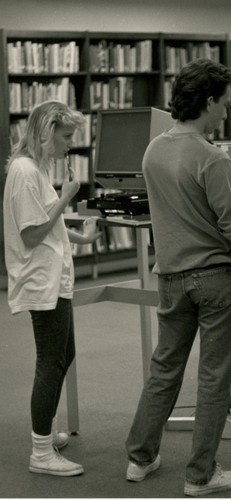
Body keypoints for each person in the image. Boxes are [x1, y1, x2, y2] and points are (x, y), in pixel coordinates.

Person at [125, 58, 231, 496]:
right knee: (213, 376)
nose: (227, 111)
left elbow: (186, 208)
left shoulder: (154, 150)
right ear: (208, 102)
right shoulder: (213, 157)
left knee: (163, 370)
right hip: (215, 280)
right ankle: (201, 475)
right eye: (224, 103)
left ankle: (139, 458)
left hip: (170, 277)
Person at [3, 100, 101, 477]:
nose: (68, 145)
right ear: (46, 132)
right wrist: (66, 197)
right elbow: (31, 234)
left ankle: (45, 431)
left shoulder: (34, 169)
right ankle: (41, 450)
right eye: (65, 136)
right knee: (51, 361)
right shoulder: (26, 171)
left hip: (53, 278)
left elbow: (49, 226)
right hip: (40, 281)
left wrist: (81, 238)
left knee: (64, 353)